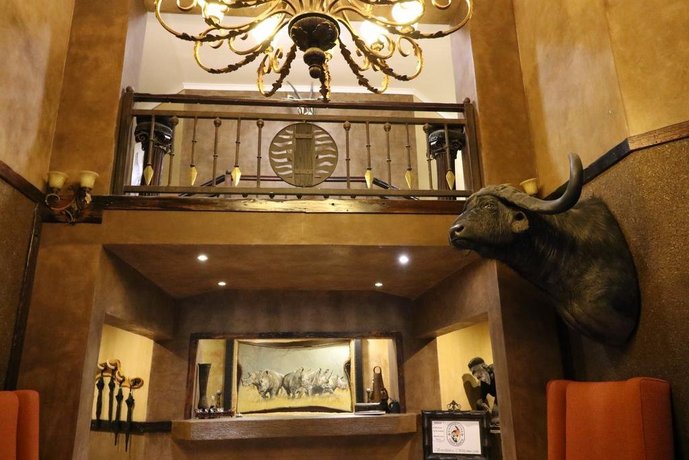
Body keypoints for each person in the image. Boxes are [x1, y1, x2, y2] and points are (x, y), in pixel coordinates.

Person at [467, 357, 499, 426]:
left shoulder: (496, 370)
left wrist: (494, 410)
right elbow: (481, 399)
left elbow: (501, 394)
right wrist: (482, 405)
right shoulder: (483, 382)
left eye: (475, 371)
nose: (475, 375)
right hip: (499, 398)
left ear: (484, 366)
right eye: (473, 373)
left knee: (495, 412)